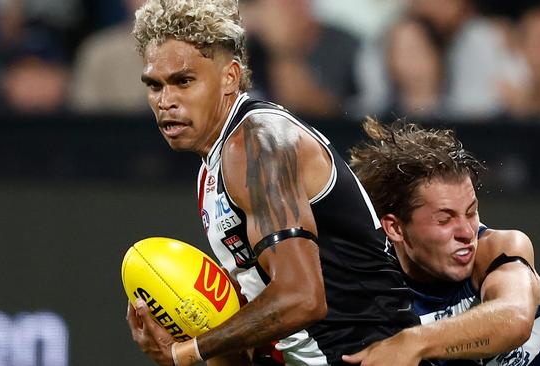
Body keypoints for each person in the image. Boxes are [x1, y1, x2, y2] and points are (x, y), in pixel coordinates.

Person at [124, 1, 420, 365]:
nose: (166, 101)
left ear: (230, 77)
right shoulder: (212, 169)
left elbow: (302, 297)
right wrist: (181, 344)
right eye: (154, 86)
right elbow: (267, 333)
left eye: (184, 81)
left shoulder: (258, 145)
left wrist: (189, 352)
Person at [343, 119, 540, 365]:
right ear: (395, 228)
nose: (467, 232)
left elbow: (516, 318)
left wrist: (413, 343)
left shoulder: (499, 249)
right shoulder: (372, 293)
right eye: (445, 220)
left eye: (471, 212)